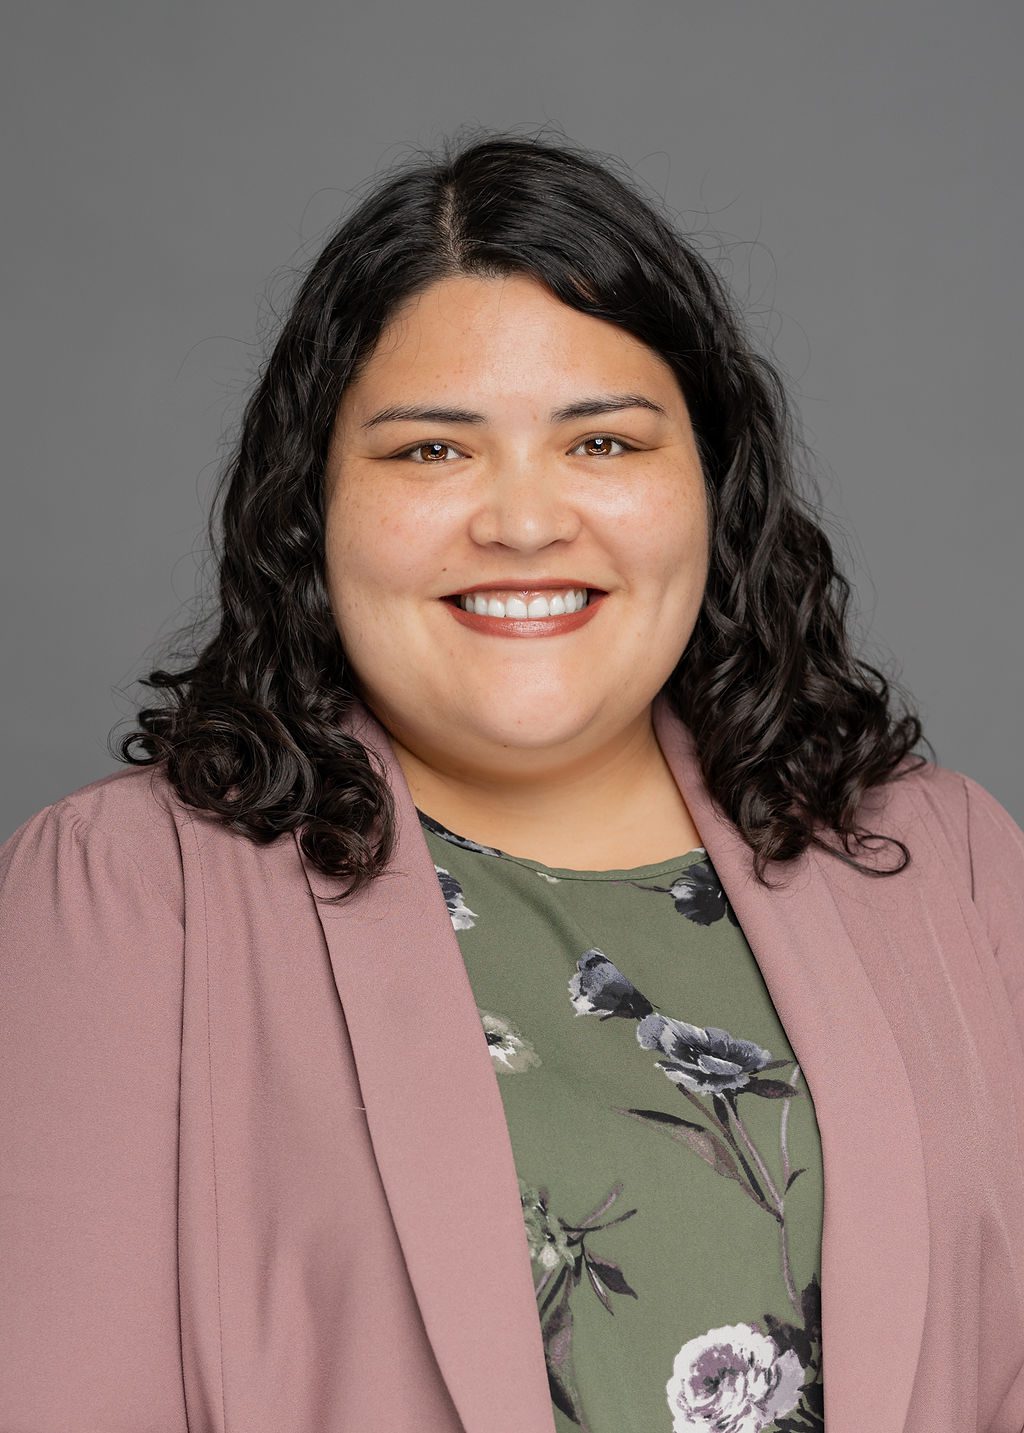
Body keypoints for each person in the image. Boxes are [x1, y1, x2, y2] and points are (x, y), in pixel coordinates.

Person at [1, 128, 1022, 1433]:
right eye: (433, 449)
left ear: (714, 486)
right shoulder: (130, 903)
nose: (526, 521)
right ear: (312, 505)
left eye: (603, 444)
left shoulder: (947, 865)